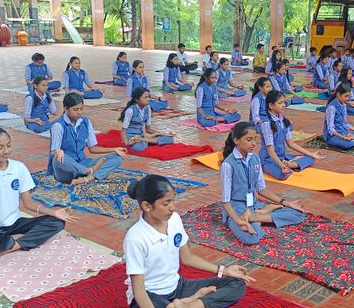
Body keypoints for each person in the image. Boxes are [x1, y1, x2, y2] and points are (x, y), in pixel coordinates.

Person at [124, 175, 253, 308]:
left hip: (178, 287)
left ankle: (191, 304)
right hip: (150, 295)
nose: (172, 207)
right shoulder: (135, 238)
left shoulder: (174, 219)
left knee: (236, 284)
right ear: (147, 206)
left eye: (173, 201)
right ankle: (190, 301)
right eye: (166, 203)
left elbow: (187, 257)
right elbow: (139, 291)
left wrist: (224, 270)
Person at [0, 127, 74, 262]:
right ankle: (14, 241)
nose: (6, 151)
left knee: (57, 222)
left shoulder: (19, 168)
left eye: (9, 145)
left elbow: (28, 203)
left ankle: (8, 248)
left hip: (15, 222)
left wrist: (54, 213)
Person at [219, 122, 306, 244]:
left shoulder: (255, 158)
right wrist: (239, 221)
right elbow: (226, 201)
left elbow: (261, 189)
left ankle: (255, 217)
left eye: (255, 139)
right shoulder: (228, 165)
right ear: (236, 140)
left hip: (254, 205)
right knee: (251, 238)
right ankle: (259, 216)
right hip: (236, 209)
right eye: (249, 139)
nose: (254, 143)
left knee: (298, 214)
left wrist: (286, 203)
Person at [47, 93, 126, 185]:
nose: (79, 112)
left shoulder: (85, 122)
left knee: (117, 158)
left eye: (81, 109)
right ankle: (89, 171)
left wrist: (114, 150)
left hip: (83, 163)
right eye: (75, 109)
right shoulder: (58, 125)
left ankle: (87, 179)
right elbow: (53, 152)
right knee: (58, 158)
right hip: (66, 171)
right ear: (65, 108)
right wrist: (58, 151)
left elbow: (92, 148)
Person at [260, 91, 322, 180]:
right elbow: (271, 151)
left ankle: (290, 164)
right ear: (271, 106)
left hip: (282, 156)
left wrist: (311, 154)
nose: (284, 105)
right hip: (268, 159)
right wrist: (282, 166)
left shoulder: (283, 120)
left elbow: (291, 143)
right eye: (280, 103)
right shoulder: (267, 124)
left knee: (311, 159)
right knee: (283, 175)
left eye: (284, 102)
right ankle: (288, 164)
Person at [119, 87, 175, 152]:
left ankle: (143, 140)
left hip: (142, 136)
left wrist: (162, 133)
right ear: (137, 99)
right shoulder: (130, 110)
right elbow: (123, 131)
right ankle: (145, 141)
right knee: (139, 148)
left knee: (169, 139)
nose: (148, 99)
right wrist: (126, 143)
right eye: (145, 97)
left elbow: (148, 129)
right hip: (131, 137)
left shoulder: (148, 109)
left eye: (148, 97)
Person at [323, 84, 354, 149]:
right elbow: (330, 129)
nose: (348, 99)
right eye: (346, 96)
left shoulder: (344, 104)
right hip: (332, 136)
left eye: (348, 96)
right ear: (338, 95)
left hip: (343, 132)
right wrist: (343, 137)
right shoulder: (331, 108)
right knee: (350, 143)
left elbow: (345, 124)